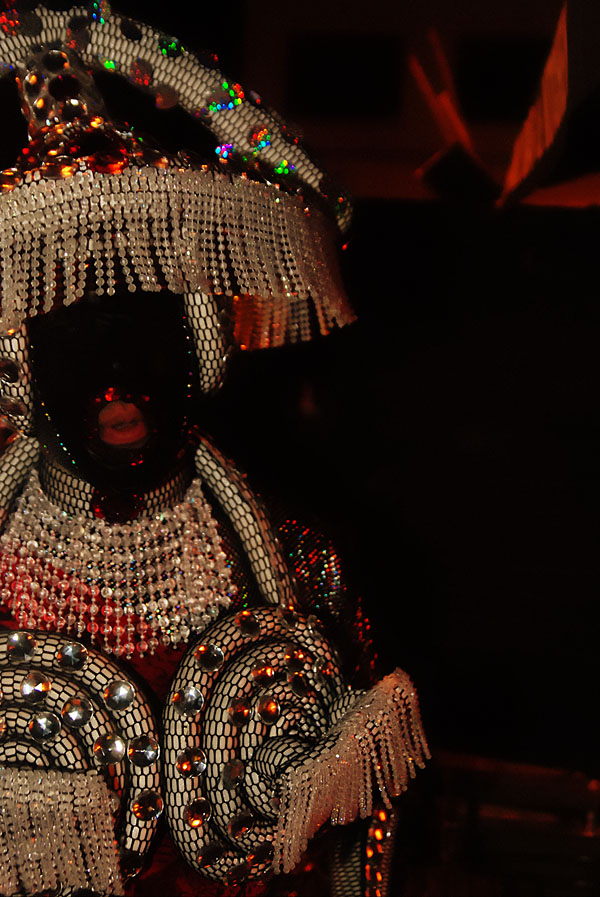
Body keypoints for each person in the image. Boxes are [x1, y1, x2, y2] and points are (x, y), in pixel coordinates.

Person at [0, 5, 428, 895]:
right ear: (23, 373)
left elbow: (363, 823)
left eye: (146, 334)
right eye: (77, 341)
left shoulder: (294, 562)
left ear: (200, 349)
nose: (116, 375)